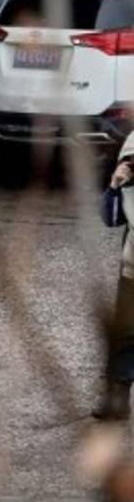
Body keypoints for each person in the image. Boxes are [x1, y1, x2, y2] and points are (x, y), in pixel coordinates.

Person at [101, 139, 134, 420]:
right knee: (124, 334)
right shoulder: (126, 187)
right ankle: (116, 398)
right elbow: (110, 220)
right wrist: (115, 185)